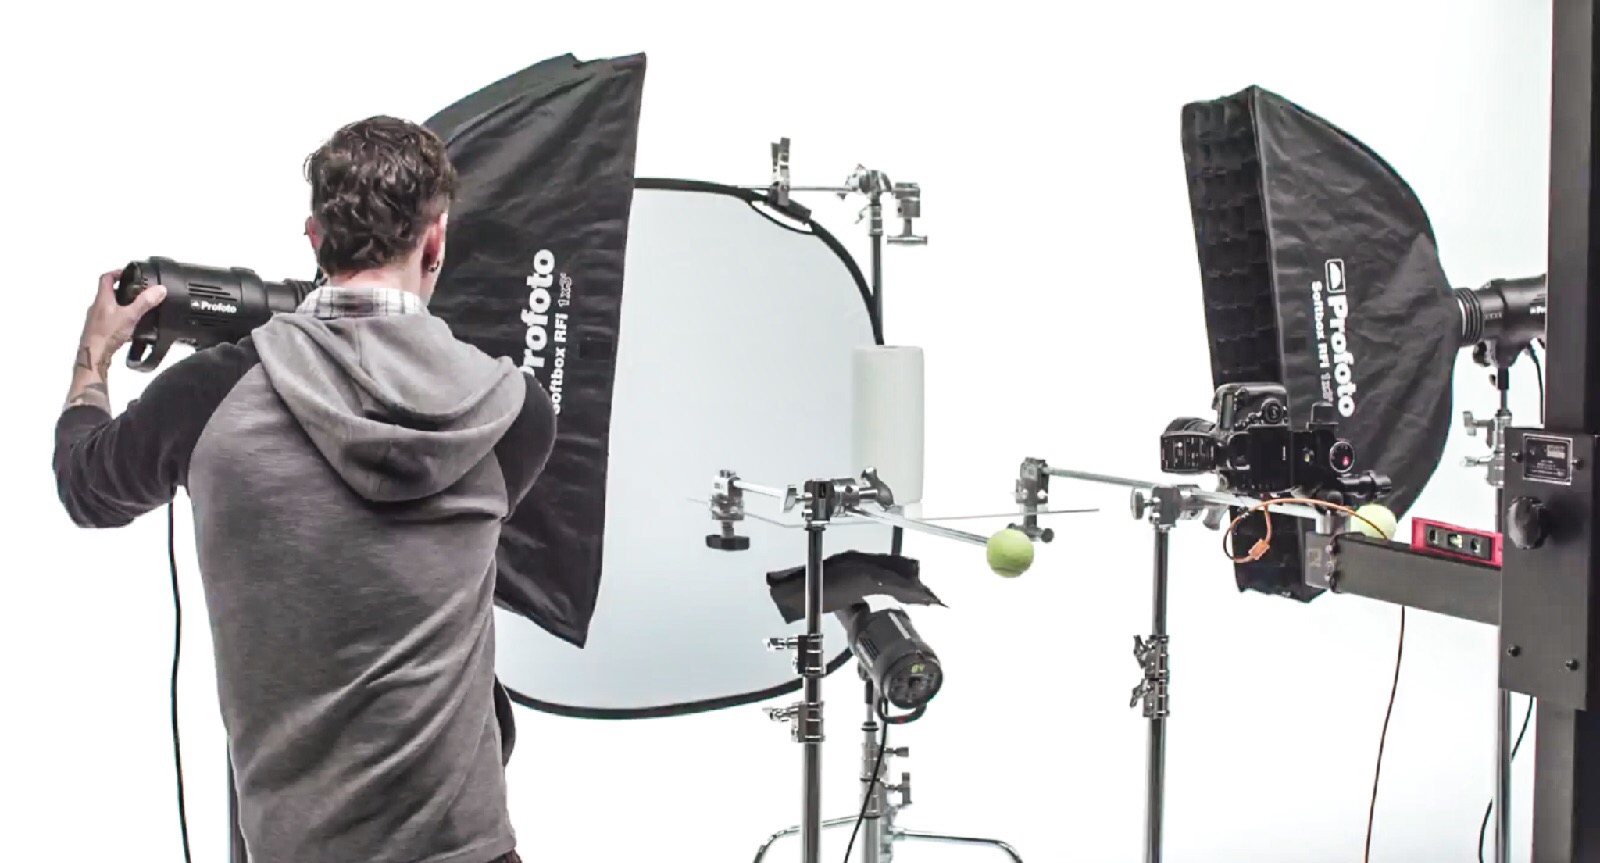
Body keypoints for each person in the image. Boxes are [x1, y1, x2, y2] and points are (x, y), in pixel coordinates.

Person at [53, 115, 555, 863]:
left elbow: (85, 485)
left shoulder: (205, 400)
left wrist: (93, 356)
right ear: (436, 242)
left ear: (316, 238)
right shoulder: (514, 415)